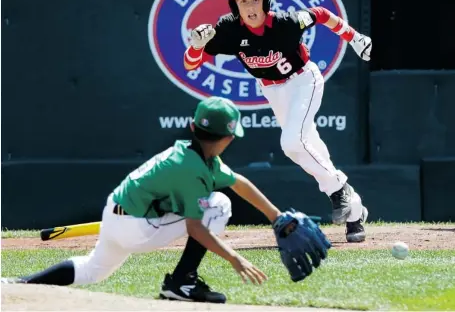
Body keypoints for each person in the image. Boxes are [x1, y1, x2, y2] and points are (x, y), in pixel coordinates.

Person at [1, 96, 331, 304]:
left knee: (92, 271)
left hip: (119, 215)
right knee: (218, 206)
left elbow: (238, 182)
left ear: (193, 127)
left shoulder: (192, 154)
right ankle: (182, 282)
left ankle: (17, 284)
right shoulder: (193, 169)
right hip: (136, 227)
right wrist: (234, 259)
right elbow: (196, 228)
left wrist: (275, 216)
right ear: (228, 138)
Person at [184, 0, 371, 243]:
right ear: (234, 6)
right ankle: (353, 208)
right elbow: (190, 64)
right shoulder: (228, 29)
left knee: (292, 142)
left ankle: (339, 189)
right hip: (272, 89)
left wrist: (354, 37)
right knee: (309, 146)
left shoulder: (285, 22)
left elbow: (319, 13)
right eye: (243, 1)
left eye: (255, 0)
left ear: (266, 2)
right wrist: (196, 46)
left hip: (303, 80)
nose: (250, 7)